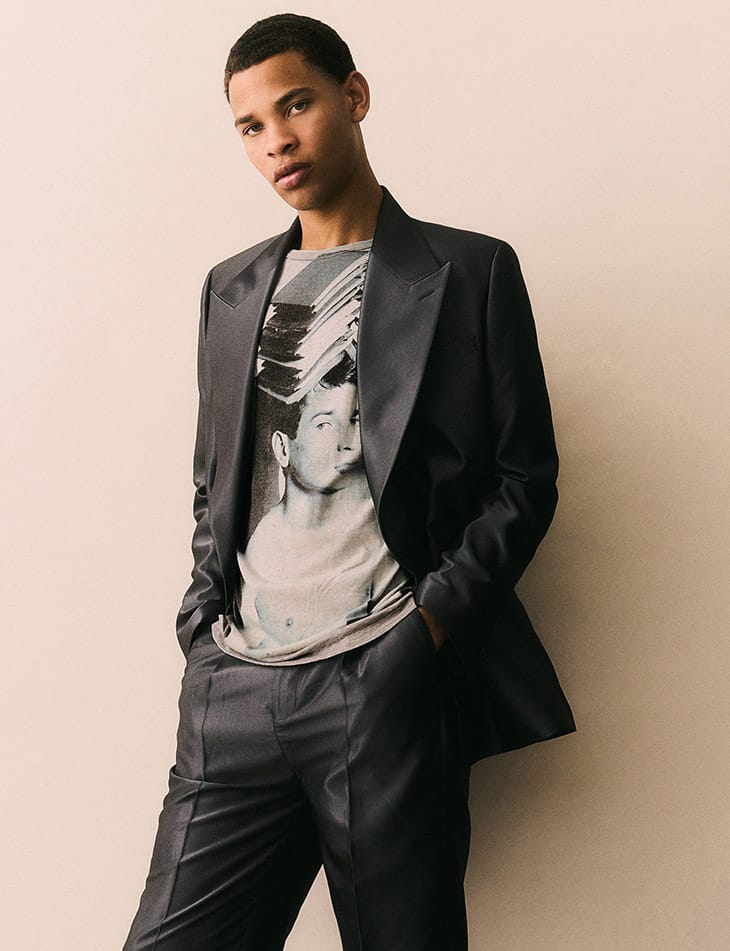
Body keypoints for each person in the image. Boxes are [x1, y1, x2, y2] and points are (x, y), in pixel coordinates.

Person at [123, 13, 575, 951]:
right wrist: (204, 629)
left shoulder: (468, 270)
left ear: (354, 96)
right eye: (251, 126)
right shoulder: (231, 289)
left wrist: (428, 627)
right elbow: (217, 478)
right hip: (234, 688)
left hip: (382, 678)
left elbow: (523, 478)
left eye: (297, 105)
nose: (277, 141)